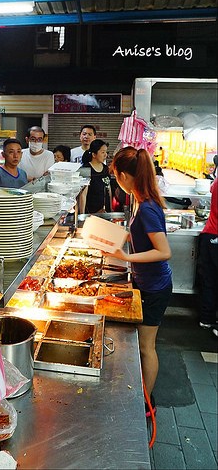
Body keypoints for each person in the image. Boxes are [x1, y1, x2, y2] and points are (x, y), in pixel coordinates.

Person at [109, 146, 173, 415]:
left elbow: (164, 251)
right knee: (143, 345)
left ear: (124, 175)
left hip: (155, 287)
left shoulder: (146, 207)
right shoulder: (141, 199)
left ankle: (147, 402)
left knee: (147, 347)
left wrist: (126, 256)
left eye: (116, 176)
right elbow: (139, 236)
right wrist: (114, 237)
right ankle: (144, 395)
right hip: (146, 283)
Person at [197, 177, 217, 334]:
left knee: (209, 279)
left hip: (210, 234)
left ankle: (207, 319)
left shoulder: (216, 182)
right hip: (213, 234)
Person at [79, 139, 111, 214]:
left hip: (105, 212)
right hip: (91, 212)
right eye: (102, 152)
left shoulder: (106, 168)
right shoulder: (86, 169)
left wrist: (110, 209)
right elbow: (83, 194)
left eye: (106, 152)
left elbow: (108, 189)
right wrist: (82, 215)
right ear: (94, 155)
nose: (105, 155)